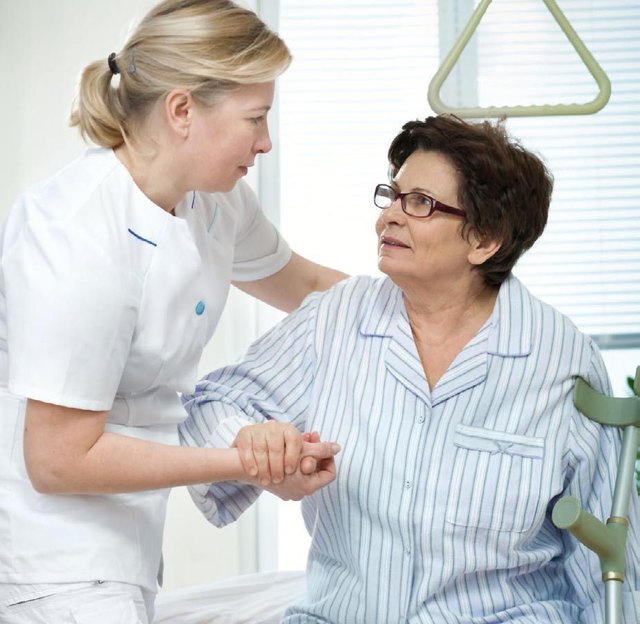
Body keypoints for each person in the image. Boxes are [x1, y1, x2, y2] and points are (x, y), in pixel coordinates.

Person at [180, 114, 640, 623]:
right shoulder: (336, 317)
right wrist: (252, 439)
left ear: (484, 239)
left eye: (420, 203)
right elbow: (210, 404)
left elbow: (610, 559)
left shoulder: (559, 360)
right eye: (392, 196)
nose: (389, 217)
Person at [0, 1, 345, 622]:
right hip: (45, 558)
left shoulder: (214, 204)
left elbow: (308, 283)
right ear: (182, 110)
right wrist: (250, 463)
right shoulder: (76, 234)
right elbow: (55, 459)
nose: (266, 142)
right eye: (256, 119)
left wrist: (446, 306)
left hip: (125, 547)